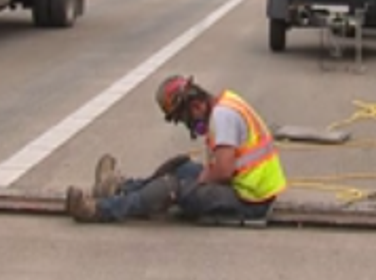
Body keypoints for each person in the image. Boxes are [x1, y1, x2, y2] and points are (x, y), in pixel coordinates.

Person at [64, 74, 288, 226]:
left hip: (250, 201)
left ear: (196, 106)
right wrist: (199, 175)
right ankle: (120, 186)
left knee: (171, 187)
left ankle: (99, 209)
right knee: (181, 167)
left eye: (185, 119)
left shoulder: (222, 117)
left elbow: (223, 171)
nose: (188, 126)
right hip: (242, 187)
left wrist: (201, 178)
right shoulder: (224, 104)